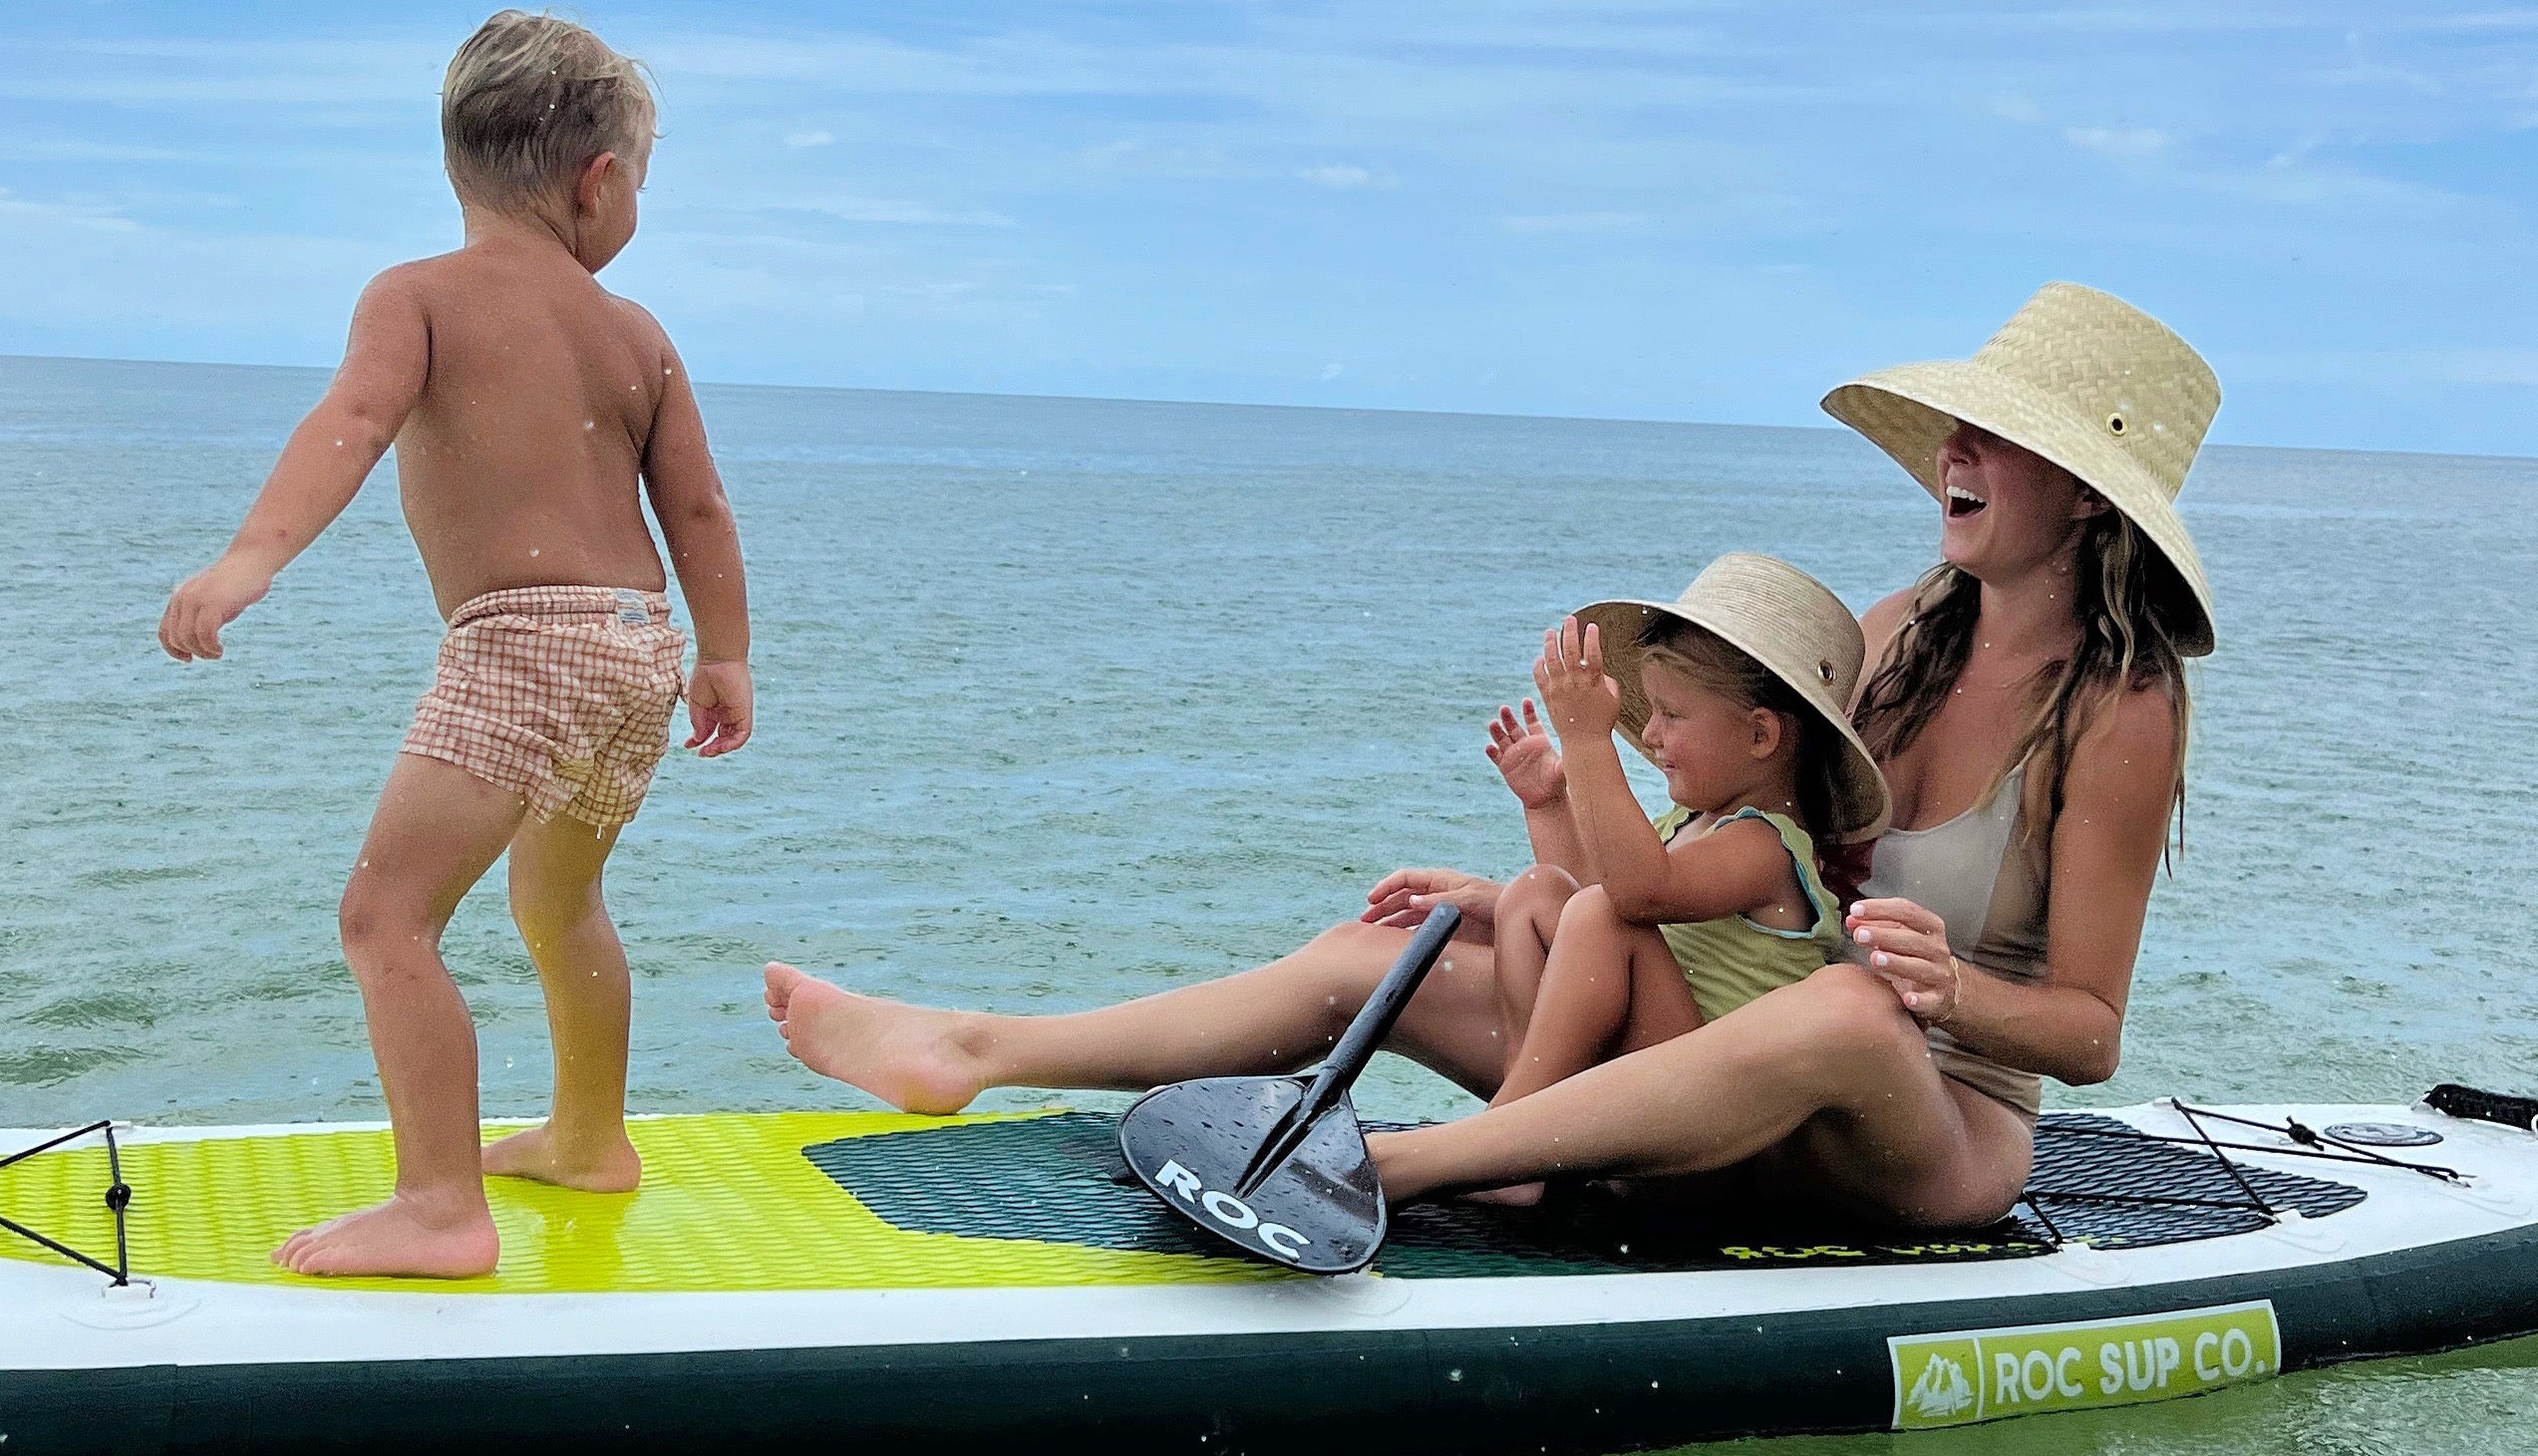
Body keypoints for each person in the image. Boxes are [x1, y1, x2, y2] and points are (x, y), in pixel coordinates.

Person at [765, 281, 2214, 1237]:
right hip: (1739, 1061)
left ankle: (1393, 1163)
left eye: (1999, 437)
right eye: (1962, 424)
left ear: (2087, 498)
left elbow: (2089, 1030)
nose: (1957, 448)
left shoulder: (2117, 710)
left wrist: (1949, 989)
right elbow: (1730, 878)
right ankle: (975, 1048)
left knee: (1843, 1017)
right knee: (1381, 946)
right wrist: (1542, 873)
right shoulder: (1893, 633)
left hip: (1925, 1131)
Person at [160, 10, 755, 1278]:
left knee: (386, 916)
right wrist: (726, 653)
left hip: (524, 641)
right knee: (561, 897)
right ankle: (591, 1140)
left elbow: (354, 419)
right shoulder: (636, 331)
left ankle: (439, 1207)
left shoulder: (415, 294)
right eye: (642, 180)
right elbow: (696, 506)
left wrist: (250, 556)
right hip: (636, 640)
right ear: (599, 183)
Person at [1366, 558, 1888, 1184]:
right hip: (1639, 1089)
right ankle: (1526, 1131)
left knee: (1592, 912)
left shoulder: (1765, 845)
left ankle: (1497, 1148)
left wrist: (1589, 742)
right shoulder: (1686, 827)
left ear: (1759, 735)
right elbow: (1595, 900)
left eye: (1671, 714)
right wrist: (1550, 802)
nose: (1649, 732)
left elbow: (1634, 897)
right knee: (1536, 897)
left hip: (1705, 1124)